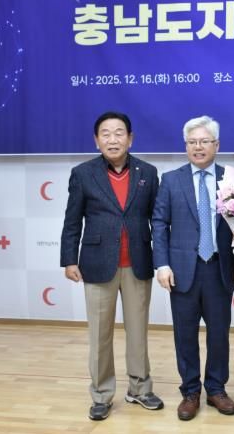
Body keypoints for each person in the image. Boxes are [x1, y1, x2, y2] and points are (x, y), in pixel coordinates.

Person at [60, 111, 164, 421]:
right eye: (105, 134)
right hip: (97, 265)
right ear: (96, 141)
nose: (112, 139)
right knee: (99, 335)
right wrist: (69, 258)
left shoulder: (148, 172)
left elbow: (157, 220)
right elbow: (72, 220)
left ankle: (140, 389)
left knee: (138, 332)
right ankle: (102, 394)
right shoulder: (83, 173)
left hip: (138, 263)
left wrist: (163, 260)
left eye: (119, 133)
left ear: (130, 139)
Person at [152, 116, 234, 421]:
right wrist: (162, 264)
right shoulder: (171, 180)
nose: (198, 147)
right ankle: (190, 391)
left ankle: (216, 389)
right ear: (186, 146)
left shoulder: (231, 180)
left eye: (204, 141)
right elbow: (159, 224)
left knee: (219, 334)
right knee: (185, 334)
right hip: (183, 270)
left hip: (219, 269)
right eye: (192, 142)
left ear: (216, 145)